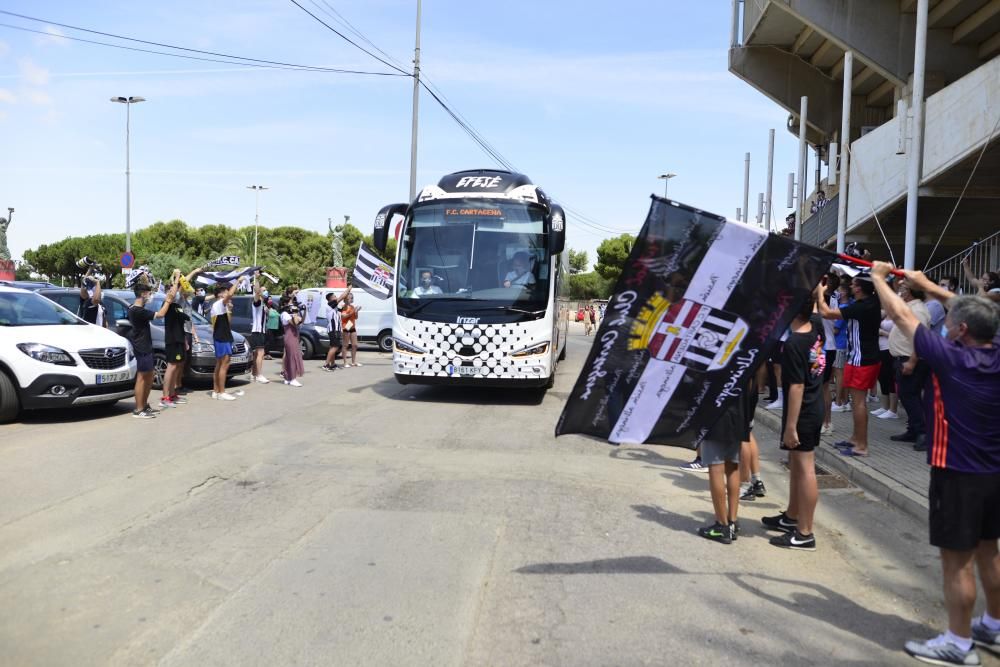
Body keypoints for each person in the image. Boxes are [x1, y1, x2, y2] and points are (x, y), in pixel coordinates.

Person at [869, 262, 1000, 667]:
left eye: (953, 321)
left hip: (957, 473)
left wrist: (878, 278)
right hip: (994, 473)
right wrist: (926, 285)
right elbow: (976, 312)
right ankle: (994, 625)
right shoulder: (992, 349)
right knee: (989, 551)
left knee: (956, 561)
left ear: (960, 331)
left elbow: (901, 314)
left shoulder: (949, 357)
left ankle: (958, 644)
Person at [763, 297, 825, 551]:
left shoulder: (794, 344)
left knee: (806, 468)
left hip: (804, 411)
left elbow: (796, 386)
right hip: (812, 405)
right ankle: (791, 516)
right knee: (796, 466)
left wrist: (790, 427)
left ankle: (805, 532)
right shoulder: (815, 328)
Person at [816, 275, 881, 457]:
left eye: (853, 284)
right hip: (856, 357)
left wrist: (820, 293)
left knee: (859, 403)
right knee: (855, 401)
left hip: (864, 359)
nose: (850, 287)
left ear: (860, 288)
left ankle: (862, 446)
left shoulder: (863, 306)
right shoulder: (868, 302)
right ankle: (855, 438)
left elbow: (827, 313)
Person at [888, 281, 932, 451]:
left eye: (903, 289)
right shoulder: (910, 307)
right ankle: (914, 430)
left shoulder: (918, 310)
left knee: (910, 396)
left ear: (910, 292)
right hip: (904, 358)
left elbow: (920, 338)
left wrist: (912, 361)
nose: (901, 291)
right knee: (908, 396)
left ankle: (923, 433)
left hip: (912, 360)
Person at [697, 399, 745, 544]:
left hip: (715, 414)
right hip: (739, 413)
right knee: (732, 467)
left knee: (716, 467)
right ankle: (732, 521)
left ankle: (722, 525)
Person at [129, 280, 175, 419]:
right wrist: (168, 301)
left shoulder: (137, 309)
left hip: (146, 345)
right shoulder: (137, 310)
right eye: (149, 293)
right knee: (142, 377)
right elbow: (160, 315)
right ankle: (138, 409)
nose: (150, 296)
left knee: (149, 375)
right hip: (141, 346)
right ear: (143, 294)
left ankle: (144, 405)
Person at [159, 269, 190, 409]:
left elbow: (182, 323)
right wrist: (176, 277)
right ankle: (164, 397)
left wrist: (184, 340)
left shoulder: (178, 306)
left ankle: (172, 395)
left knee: (177, 367)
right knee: (171, 367)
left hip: (179, 339)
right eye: (174, 289)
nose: (177, 291)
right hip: (171, 340)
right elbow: (172, 294)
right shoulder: (167, 304)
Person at [210, 282, 239, 401]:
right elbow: (230, 295)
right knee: (224, 364)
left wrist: (230, 310)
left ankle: (216, 390)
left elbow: (228, 322)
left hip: (223, 335)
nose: (228, 293)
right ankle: (222, 392)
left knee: (220, 364)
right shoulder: (218, 303)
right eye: (225, 291)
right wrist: (238, 281)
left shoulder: (221, 306)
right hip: (222, 337)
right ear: (220, 294)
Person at [820, 274, 840, 435]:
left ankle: (826, 423)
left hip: (824, 348)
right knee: (822, 387)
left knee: (822, 387)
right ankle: (825, 422)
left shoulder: (824, 302)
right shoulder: (832, 300)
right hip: (825, 347)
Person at [873, 313, 899, 420]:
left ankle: (893, 410)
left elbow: (897, 334)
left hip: (890, 349)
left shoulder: (897, 315)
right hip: (880, 348)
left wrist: (883, 332)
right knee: (882, 377)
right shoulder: (884, 314)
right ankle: (885, 406)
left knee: (890, 378)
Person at [321, 286, 352, 371]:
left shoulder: (335, 307)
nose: (336, 297)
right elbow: (341, 297)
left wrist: (347, 299)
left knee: (333, 347)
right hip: (333, 329)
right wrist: (348, 289)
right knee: (335, 347)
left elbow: (343, 310)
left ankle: (332, 364)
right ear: (330, 299)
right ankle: (326, 365)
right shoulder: (330, 305)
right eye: (334, 297)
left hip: (336, 329)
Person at [248, 273, 270, 385]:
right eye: (264, 290)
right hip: (257, 330)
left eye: (266, 290)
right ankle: (259, 375)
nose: (265, 291)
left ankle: (253, 374)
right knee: (261, 352)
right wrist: (257, 278)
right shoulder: (257, 302)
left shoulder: (265, 304)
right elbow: (256, 291)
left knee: (257, 353)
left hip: (262, 330)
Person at [280, 296, 305, 386]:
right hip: (289, 336)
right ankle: (292, 378)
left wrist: (303, 311)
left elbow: (301, 321)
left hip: (294, 336)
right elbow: (294, 323)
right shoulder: (284, 314)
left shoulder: (291, 313)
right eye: (289, 303)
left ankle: (288, 377)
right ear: (284, 304)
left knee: (290, 356)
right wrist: (295, 313)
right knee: (292, 356)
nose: (291, 305)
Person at [341, 291, 362, 367]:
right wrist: (353, 311)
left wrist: (356, 311)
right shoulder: (344, 307)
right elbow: (343, 316)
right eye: (350, 298)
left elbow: (355, 317)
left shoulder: (352, 307)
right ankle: (345, 362)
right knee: (345, 345)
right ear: (346, 299)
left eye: (352, 298)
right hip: (346, 326)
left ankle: (353, 362)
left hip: (352, 326)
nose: (351, 299)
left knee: (355, 345)